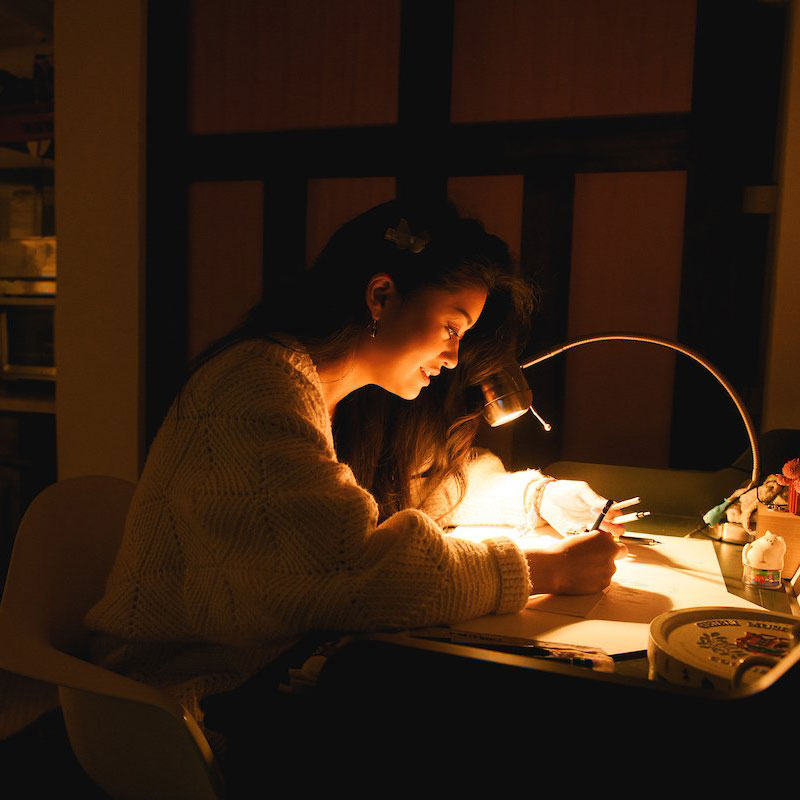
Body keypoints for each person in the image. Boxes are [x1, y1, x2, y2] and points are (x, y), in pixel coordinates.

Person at [83, 199, 625, 765]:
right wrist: (545, 570)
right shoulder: (257, 385)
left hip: (262, 668)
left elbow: (426, 481)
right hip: (180, 700)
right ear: (382, 296)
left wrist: (537, 497)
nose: (453, 356)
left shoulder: (331, 388)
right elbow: (360, 575)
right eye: (451, 326)